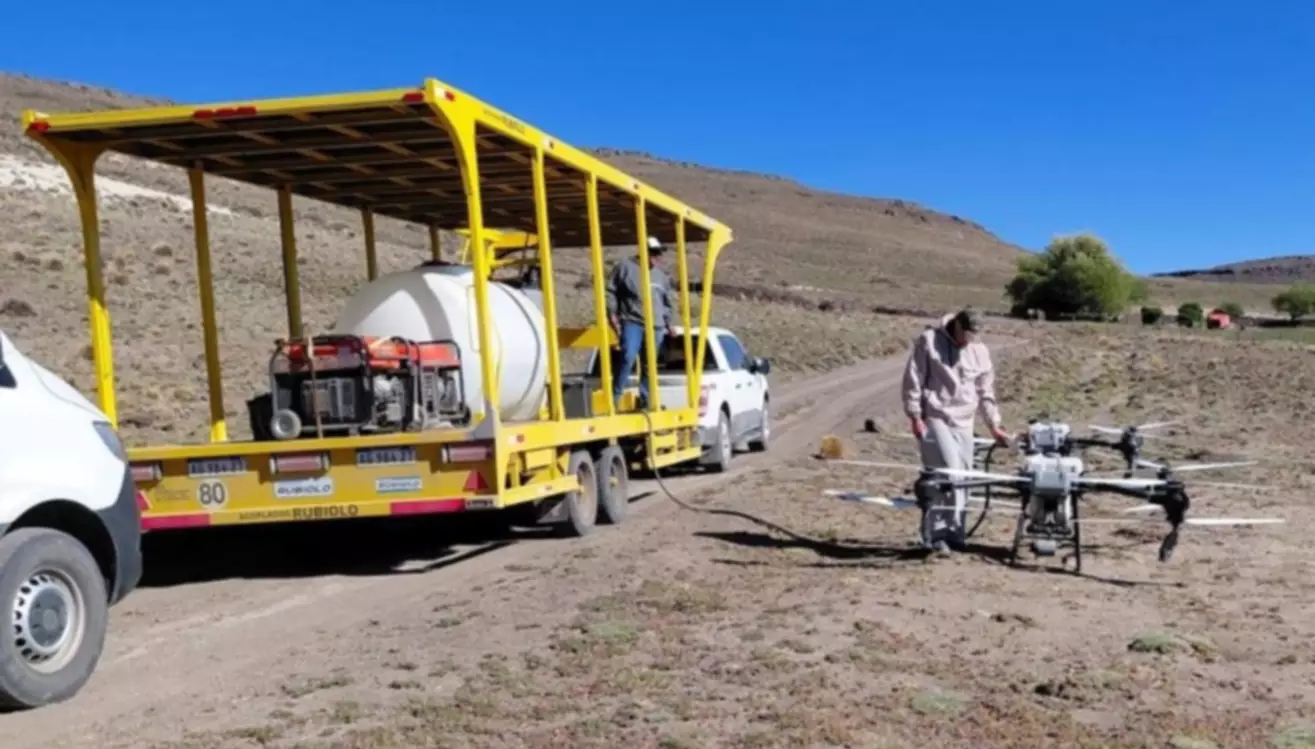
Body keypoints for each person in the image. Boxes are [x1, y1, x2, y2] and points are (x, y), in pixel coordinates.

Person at [900, 307, 1011, 552]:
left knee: (964, 478)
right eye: (966, 335)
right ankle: (935, 535)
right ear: (958, 326)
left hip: (965, 420)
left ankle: (955, 532)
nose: (968, 341)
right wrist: (915, 416)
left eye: (974, 337)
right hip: (936, 415)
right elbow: (914, 379)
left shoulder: (980, 351)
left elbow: (985, 391)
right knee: (945, 473)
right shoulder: (929, 341)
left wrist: (994, 425)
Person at [605, 236, 676, 410]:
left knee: (650, 363)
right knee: (628, 356)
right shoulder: (625, 268)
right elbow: (610, 291)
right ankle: (614, 398)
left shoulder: (660, 275)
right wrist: (612, 313)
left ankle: (645, 399)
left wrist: (669, 322)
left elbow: (666, 301)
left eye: (659, 253)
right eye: (654, 253)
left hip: (656, 325)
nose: (657, 257)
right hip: (632, 321)